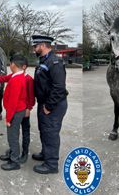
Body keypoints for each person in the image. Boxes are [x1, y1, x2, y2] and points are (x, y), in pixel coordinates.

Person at [0, 56, 35, 164]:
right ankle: (14, 152)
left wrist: (8, 118)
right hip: (19, 109)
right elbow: (4, 78)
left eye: (11, 63)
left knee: (15, 135)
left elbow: (15, 100)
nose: (10, 65)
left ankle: (16, 158)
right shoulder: (17, 76)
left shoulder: (19, 79)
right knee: (14, 134)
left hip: (19, 110)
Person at [31, 35, 68, 174]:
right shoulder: (44, 60)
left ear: (43, 45)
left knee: (51, 133)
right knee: (44, 131)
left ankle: (51, 164)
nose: (34, 48)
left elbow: (59, 88)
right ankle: (46, 154)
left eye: (35, 46)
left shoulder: (55, 62)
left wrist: (49, 106)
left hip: (54, 105)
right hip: (44, 103)